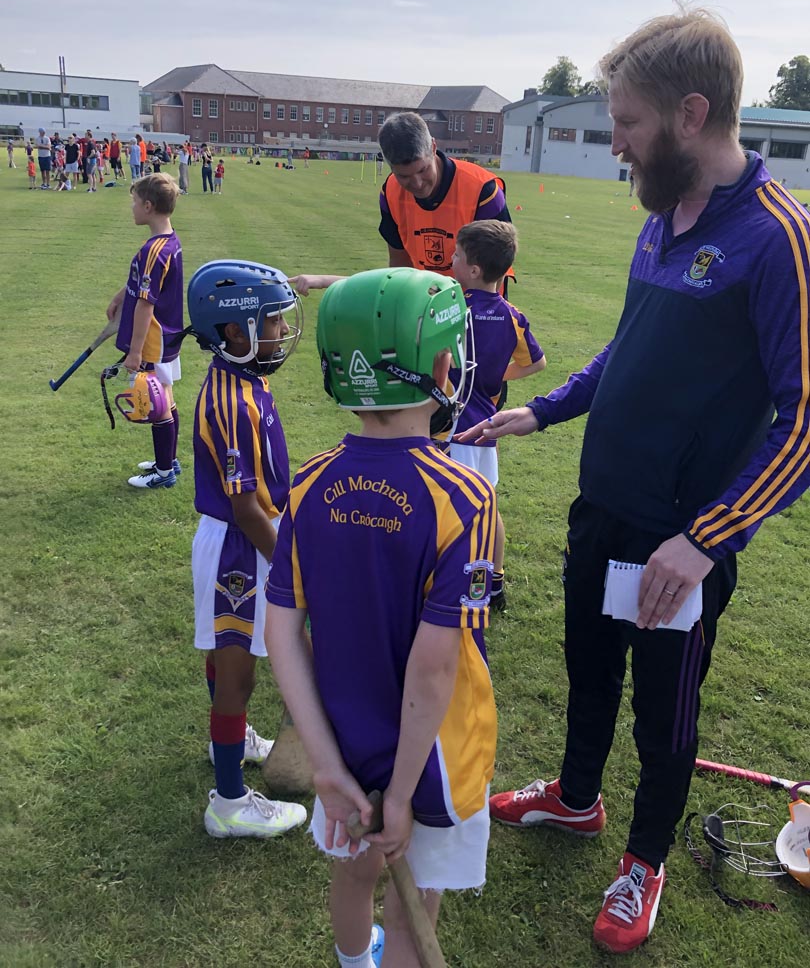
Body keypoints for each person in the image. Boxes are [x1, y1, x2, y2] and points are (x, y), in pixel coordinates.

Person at [456, 6, 810, 953]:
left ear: (691, 114)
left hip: (680, 542)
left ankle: (644, 860)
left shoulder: (778, 237)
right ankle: (575, 800)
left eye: (626, 125)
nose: (614, 146)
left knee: (665, 714)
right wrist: (548, 407)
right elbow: (632, 347)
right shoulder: (664, 216)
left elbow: (806, 417)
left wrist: (705, 540)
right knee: (588, 671)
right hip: (601, 507)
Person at [265, 268, 497, 968]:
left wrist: (330, 770)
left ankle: (351, 959)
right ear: (441, 366)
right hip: (428, 759)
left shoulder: (308, 482)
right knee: (412, 903)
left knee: (353, 871)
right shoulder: (466, 498)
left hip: (344, 736)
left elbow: (280, 630)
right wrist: (399, 794)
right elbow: (434, 665)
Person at [185, 259, 307, 841]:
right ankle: (229, 802)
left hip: (243, 537)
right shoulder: (234, 402)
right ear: (236, 331)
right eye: (273, 322)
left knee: (231, 657)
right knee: (239, 671)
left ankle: (224, 743)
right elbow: (247, 508)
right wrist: (293, 567)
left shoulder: (244, 382)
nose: (282, 331)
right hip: (241, 544)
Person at [290, 112, 511, 297]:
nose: (417, 183)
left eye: (423, 170)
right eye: (403, 176)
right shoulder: (390, 193)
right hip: (425, 306)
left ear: (433, 147)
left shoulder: (483, 190)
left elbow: (495, 276)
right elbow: (398, 269)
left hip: (478, 311)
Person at [450, 220, 546, 611]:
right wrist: (495, 373)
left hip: (453, 428)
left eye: (456, 256)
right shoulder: (511, 315)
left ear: (473, 269)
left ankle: (451, 582)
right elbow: (537, 363)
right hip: (485, 427)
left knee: (452, 509)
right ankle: (495, 582)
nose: (451, 261)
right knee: (487, 506)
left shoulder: (449, 309)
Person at [106, 174, 184, 489]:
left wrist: (135, 351)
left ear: (149, 206)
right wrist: (118, 295)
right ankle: (169, 461)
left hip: (154, 339)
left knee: (157, 404)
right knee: (167, 398)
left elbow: (145, 304)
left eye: (135, 202)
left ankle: (163, 472)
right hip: (164, 337)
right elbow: (138, 284)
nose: (132, 207)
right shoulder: (166, 241)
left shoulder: (154, 251)